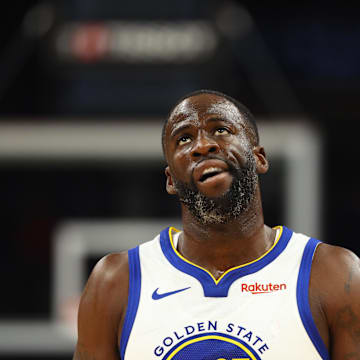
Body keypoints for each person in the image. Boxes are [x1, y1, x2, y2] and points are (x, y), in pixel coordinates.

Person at [73, 90, 360, 360]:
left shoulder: (333, 274)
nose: (203, 145)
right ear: (171, 180)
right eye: (184, 139)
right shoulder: (115, 282)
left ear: (259, 158)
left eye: (221, 130)